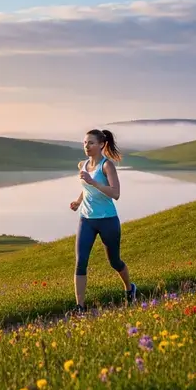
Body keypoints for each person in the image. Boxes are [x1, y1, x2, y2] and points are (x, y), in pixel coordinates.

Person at [69, 128, 136, 313]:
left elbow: (116, 193)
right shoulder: (82, 164)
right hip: (86, 220)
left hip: (107, 220)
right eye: (84, 143)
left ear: (101, 145)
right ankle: (80, 306)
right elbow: (86, 189)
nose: (87, 146)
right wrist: (77, 201)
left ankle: (130, 289)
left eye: (91, 143)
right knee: (81, 261)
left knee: (114, 262)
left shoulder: (107, 166)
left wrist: (93, 182)